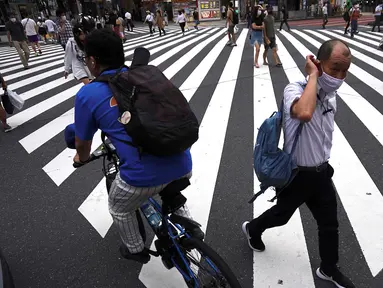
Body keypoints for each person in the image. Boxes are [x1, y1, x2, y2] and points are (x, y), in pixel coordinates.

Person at [70, 28, 198, 263]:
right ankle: (191, 230)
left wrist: (81, 158)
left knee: (119, 207)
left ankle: (135, 249)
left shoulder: (88, 94)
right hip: (183, 160)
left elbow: (82, 144)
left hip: (141, 176)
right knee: (168, 189)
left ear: (92, 60)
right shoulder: (143, 77)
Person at [242, 39, 356, 288]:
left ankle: (328, 268)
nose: (339, 76)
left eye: (345, 71)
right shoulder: (295, 89)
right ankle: (252, 228)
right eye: (334, 68)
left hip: (321, 173)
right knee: (282, 216)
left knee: (329, 224)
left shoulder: (330, 95)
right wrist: (313, 76)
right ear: (318, 63)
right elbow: (304, 113)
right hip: (297, 175)